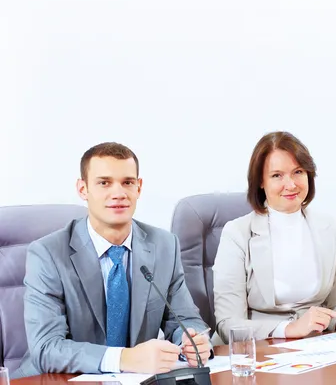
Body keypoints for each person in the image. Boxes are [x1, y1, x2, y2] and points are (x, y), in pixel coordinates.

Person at [14, 142, 211, 378]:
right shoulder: (47, 254)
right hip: (58, 379)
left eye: (127, 182)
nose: (118, 193)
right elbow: (46, 348)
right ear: (83, 189)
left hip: (134, 380)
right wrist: (125, 358)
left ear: (139, 188)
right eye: (104, 183)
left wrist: (192, 340)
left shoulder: (164, 245)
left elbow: (186, 319)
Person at [213, 131, 336, 343]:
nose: (291, 184)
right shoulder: (237, 233)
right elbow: (228, 324)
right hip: (257, 351)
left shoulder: (331, 227)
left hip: (317, 349)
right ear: (260, 182)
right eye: (277, 175)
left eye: (298, 172)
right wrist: (289, 328)